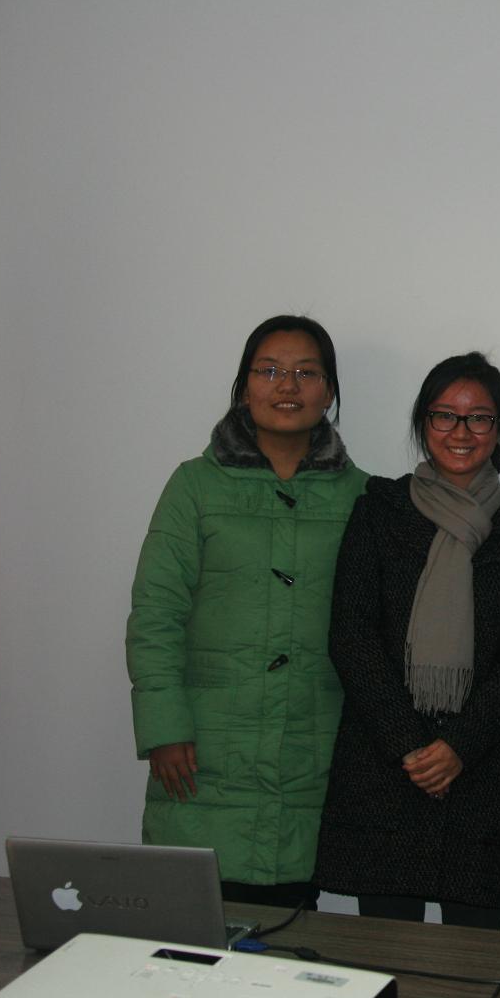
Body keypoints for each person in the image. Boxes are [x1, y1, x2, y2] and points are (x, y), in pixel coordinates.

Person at [128, 314, 366, 910]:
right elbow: (156, 613)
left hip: (314, 751)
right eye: (270, 370)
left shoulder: (363, 497)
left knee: (290, 939)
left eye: (306, 373)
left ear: (330, 392)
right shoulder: (194, 487)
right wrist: (163, 727)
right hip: (203, 753)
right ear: (243, 387)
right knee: (189, 939)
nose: (287, 386)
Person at [314, 352, 500, 929]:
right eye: (444, 415)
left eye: (479, 418)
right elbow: (352, 636)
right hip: (384, 768)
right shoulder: (378, 511)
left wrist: (458, 748)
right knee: (385, 959)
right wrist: (411, 746)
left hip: (486, 775)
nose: (461, 432)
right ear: (423, 424)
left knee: (474, 966)